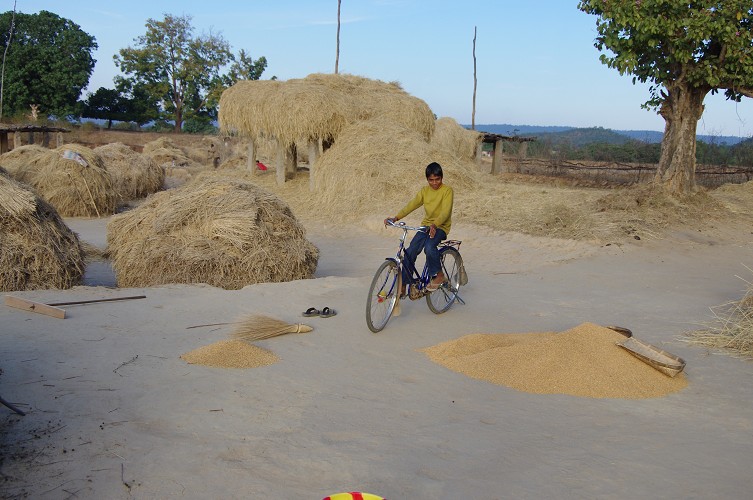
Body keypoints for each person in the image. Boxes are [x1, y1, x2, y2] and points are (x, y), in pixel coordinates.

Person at [384, 162, 453, 294]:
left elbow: (445, 213)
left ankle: (438, 275)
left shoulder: (447, 191)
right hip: (426, 226)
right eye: (431, 180)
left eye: (437, 179)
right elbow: (412, 205)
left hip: (441, 227)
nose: (434, 183)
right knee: (410, 251)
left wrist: (435, 225)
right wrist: (396, 217)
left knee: (429, 247)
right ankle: (405, 284)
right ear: (427, 179)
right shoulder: (424, 191)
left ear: (442, 178)